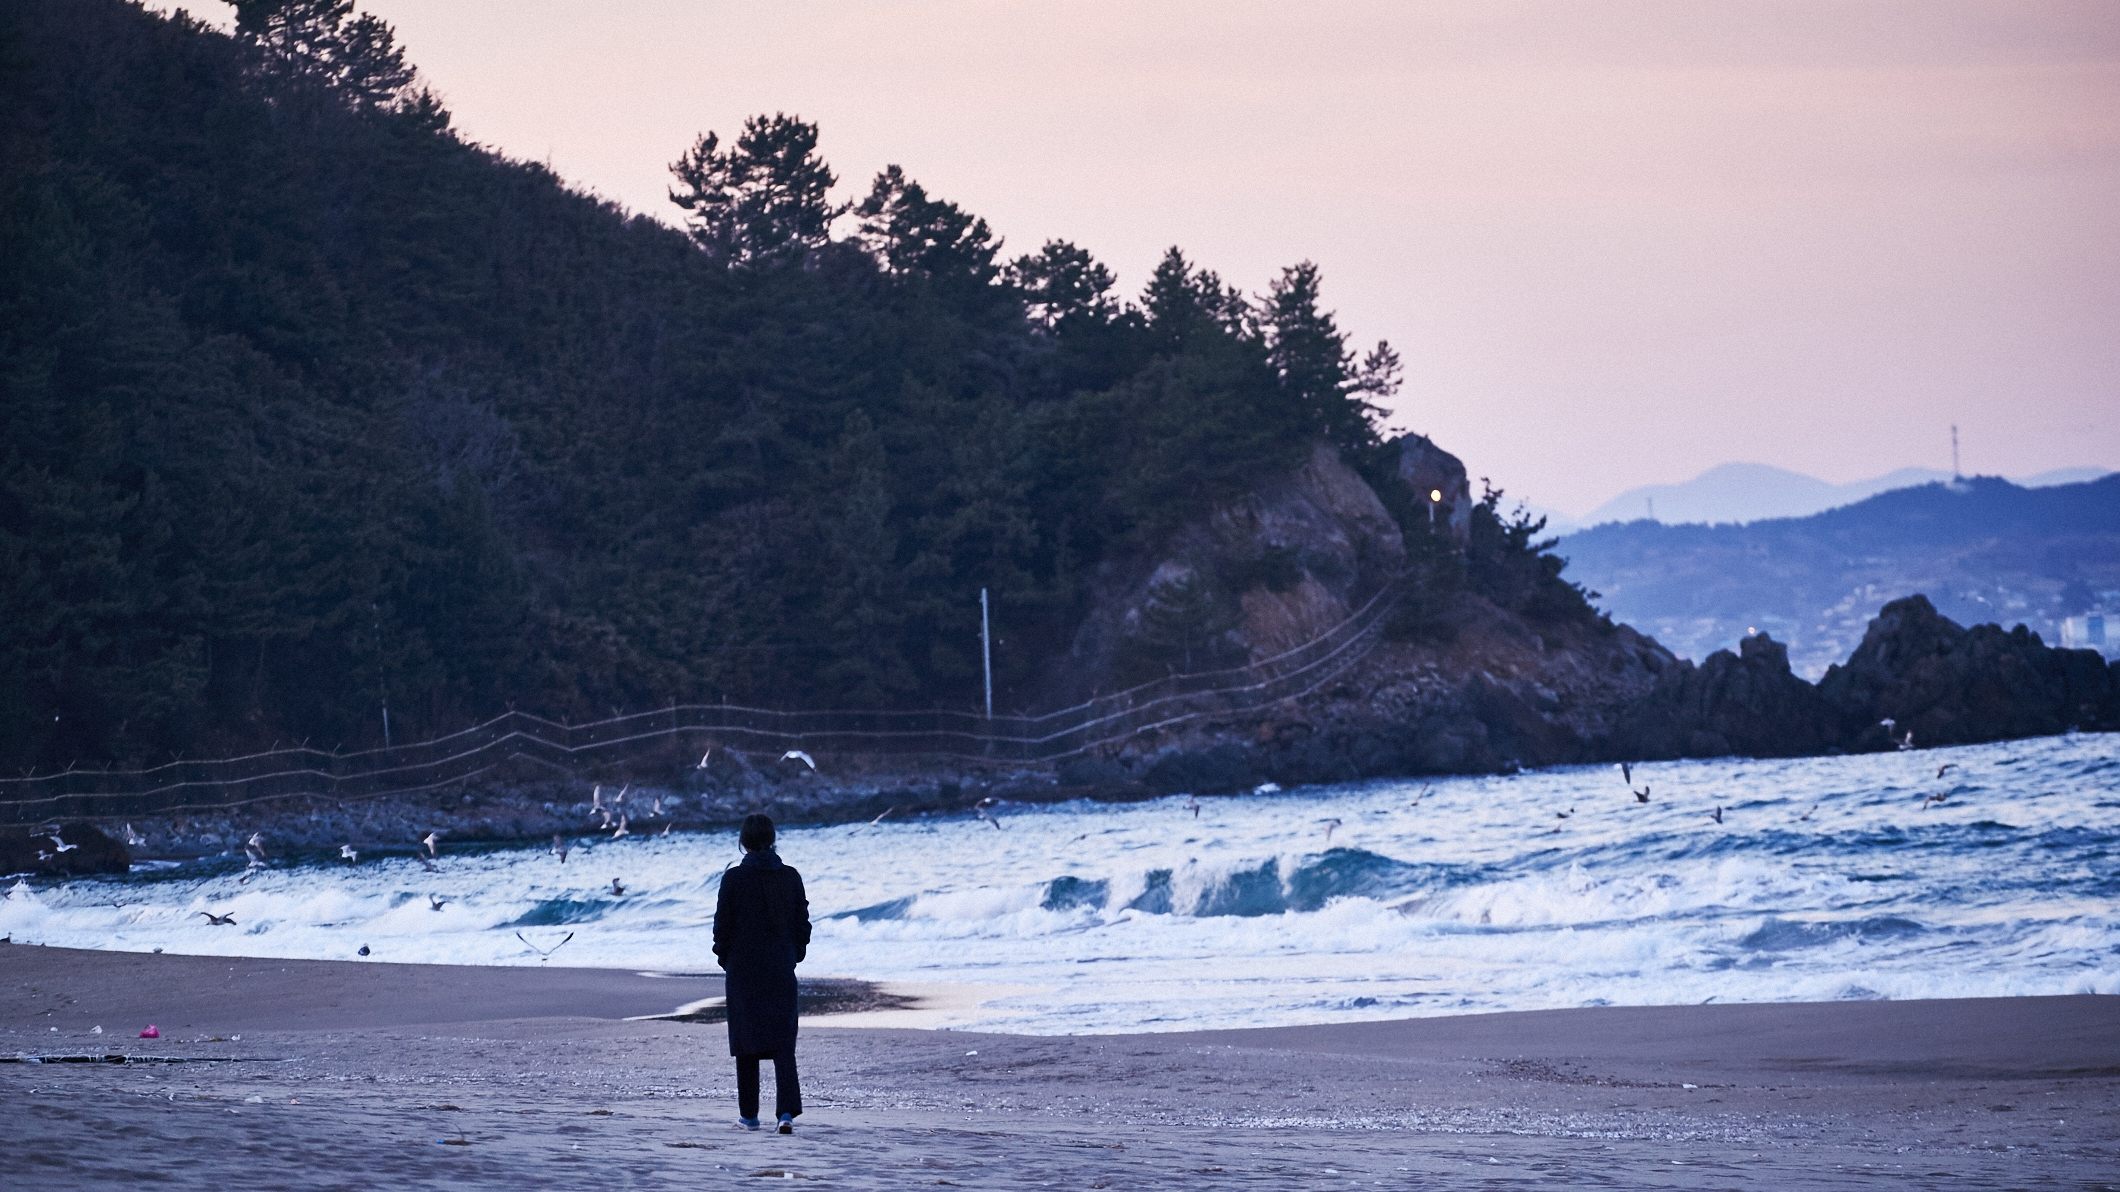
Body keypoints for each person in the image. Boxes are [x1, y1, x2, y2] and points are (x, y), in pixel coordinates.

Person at [712, 812, 811, 1133]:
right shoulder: (791, 876)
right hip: (780, 967)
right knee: (783, 1043)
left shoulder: (733, 878)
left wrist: (726, 959)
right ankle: (785, 1114)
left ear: (743, 842)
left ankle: (749, 1115)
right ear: (772, 840)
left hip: (743, 969)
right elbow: (803, 925)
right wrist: (794, 955)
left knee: (747, 1043)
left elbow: (721, 928)